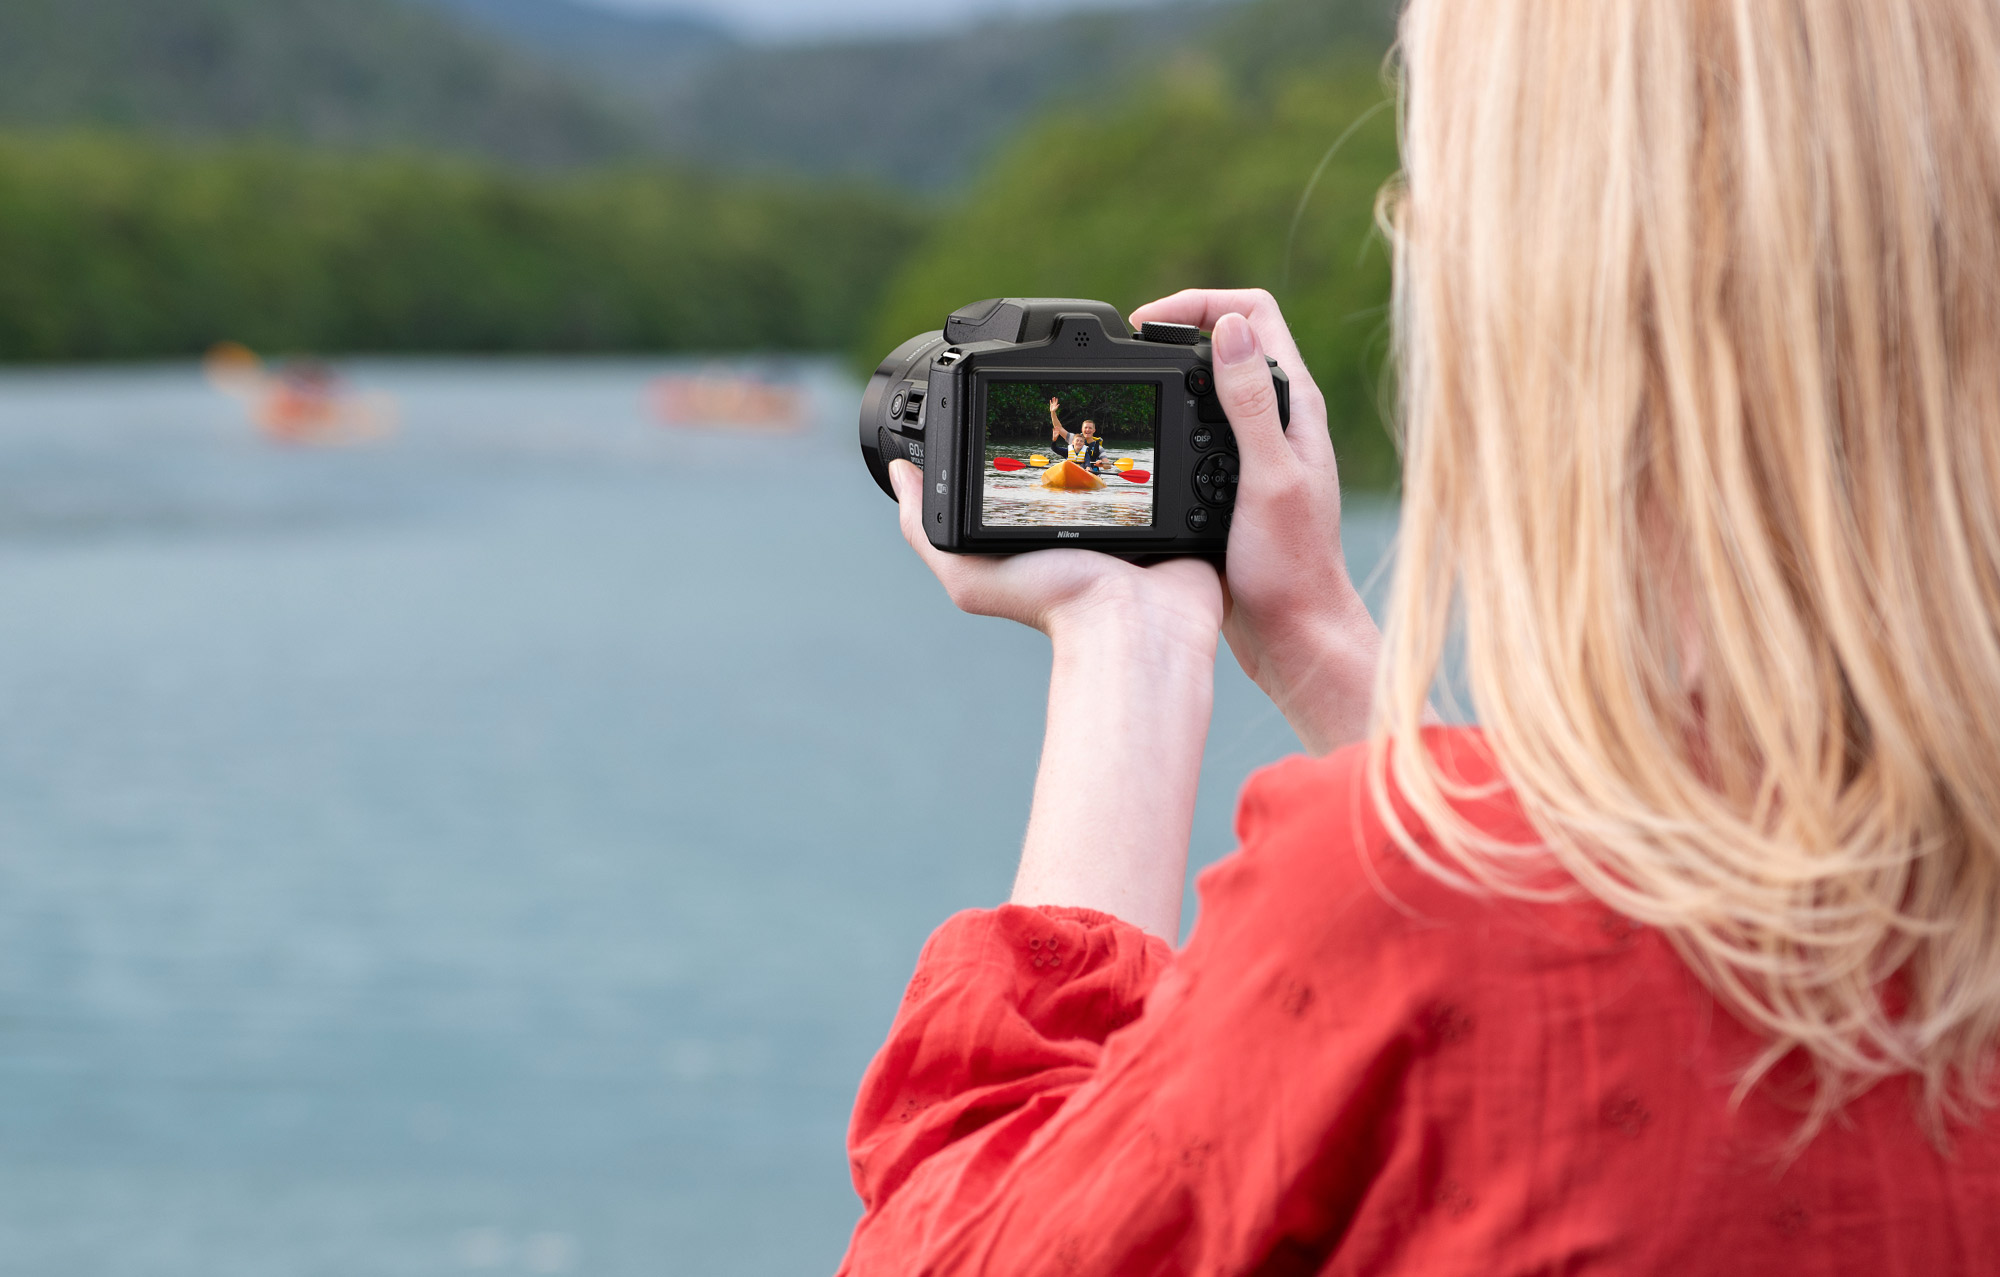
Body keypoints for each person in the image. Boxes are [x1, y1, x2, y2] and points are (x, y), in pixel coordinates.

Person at [847, 1, 2000, 1272]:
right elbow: (1614, 929)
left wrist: (1130, 646)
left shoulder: (1386, 917)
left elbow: (960, 1241)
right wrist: (1312, 631)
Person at [1048, 396, 1106, 473]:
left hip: (1090, 473)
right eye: (1085, 428)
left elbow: (1108, 465)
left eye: (1090, 428)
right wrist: (1053, 413)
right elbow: (1059, 428)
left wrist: (1102, 464)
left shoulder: (1098, 447)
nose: (1087, 430)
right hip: (1072, 471)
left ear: (1094, 430)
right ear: (1082, 429)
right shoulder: (1074, 439)